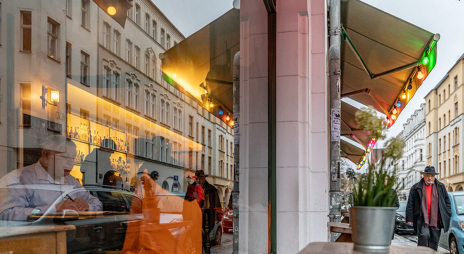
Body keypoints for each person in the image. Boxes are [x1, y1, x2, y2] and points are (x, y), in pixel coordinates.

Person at [0, 135, 102, 221]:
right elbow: (6, 214)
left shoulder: (71, 181)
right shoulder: (19, 178)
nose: (71, 162)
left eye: (73, 158)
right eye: (65, 157)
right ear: (46, 155)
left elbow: (97, 204)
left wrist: (87, 206)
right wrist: (52, 210)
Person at [405, 166, 451, 251]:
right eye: (427, 176)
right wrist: (409, 219)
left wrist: (448, 213)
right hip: (422, 219)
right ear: (424, 176)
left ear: (434, 176)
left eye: (432, 176)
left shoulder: (440, 187)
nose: (430, 178)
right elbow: (410, 204)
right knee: (424, 236)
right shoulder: (416, 188)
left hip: (436, 220)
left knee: (434, 241)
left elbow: (447, 201)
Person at [192, 169, 221, 253]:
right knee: (197, 240)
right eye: (197, 179)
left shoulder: (211, 189)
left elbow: (216, 204)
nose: (198, 181)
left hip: (207, 216)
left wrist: (216, 217)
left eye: (200, 179)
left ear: (204, 178)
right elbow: (186, 203)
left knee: (206, 239)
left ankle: (207, 251)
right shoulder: (192, 188)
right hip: (195, 217)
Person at [183, 184, 204, 254]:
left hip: (194, 227)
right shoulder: (192, 203)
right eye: (197, 193)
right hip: (192, 227)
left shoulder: (194, 203)